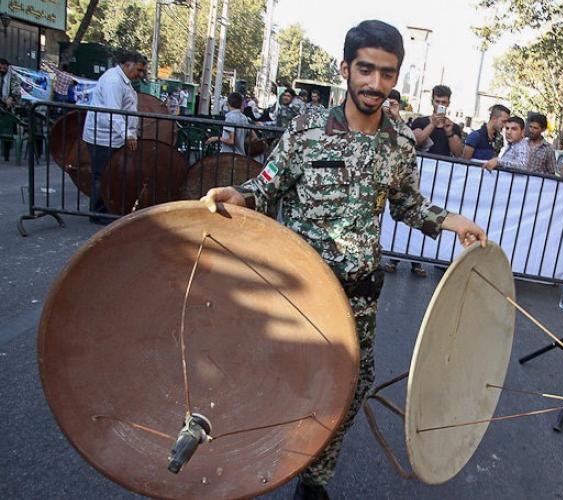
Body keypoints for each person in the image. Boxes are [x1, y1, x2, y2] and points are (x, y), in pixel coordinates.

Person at [200, 20, 486, 499]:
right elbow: (265, 187)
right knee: (275, 378)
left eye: (387, 73)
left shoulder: (398, 142)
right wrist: (238, 194)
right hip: (296, 293)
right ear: (346, 69)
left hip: (358, 299)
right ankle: (244, 467)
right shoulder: (305, 129)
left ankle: (313, 481)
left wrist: (451, 220)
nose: (375, 84)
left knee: (349, 391)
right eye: (366, 70)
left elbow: (408, 205)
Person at [81, 51, 146, 219]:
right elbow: (113, 113)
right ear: (127, 65)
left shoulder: (124, 81)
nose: (140, 74)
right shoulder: (113, 81)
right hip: (103, 137)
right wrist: (128, 134)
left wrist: (130, 133)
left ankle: (108, 208)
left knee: (112, 174)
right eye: (138, 70)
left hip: (114, 136)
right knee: (102, 175)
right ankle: (98, 212)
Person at [383, 88, 428, 278]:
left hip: (361, 271)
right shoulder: (309, 128)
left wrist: (454, 223)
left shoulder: (401, 140)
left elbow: (409, 204)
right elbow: (278, 170)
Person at [410, 85, 463, 156]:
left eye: (443, 102)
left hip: (443, 165)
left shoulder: (453, 127)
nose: (440, 105)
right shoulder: (420, 122)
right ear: (432, 102)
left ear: (448, 104)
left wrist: (450, 133)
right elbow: (414, 143)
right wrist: (432, 125)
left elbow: (458, 154)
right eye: (437, 101)